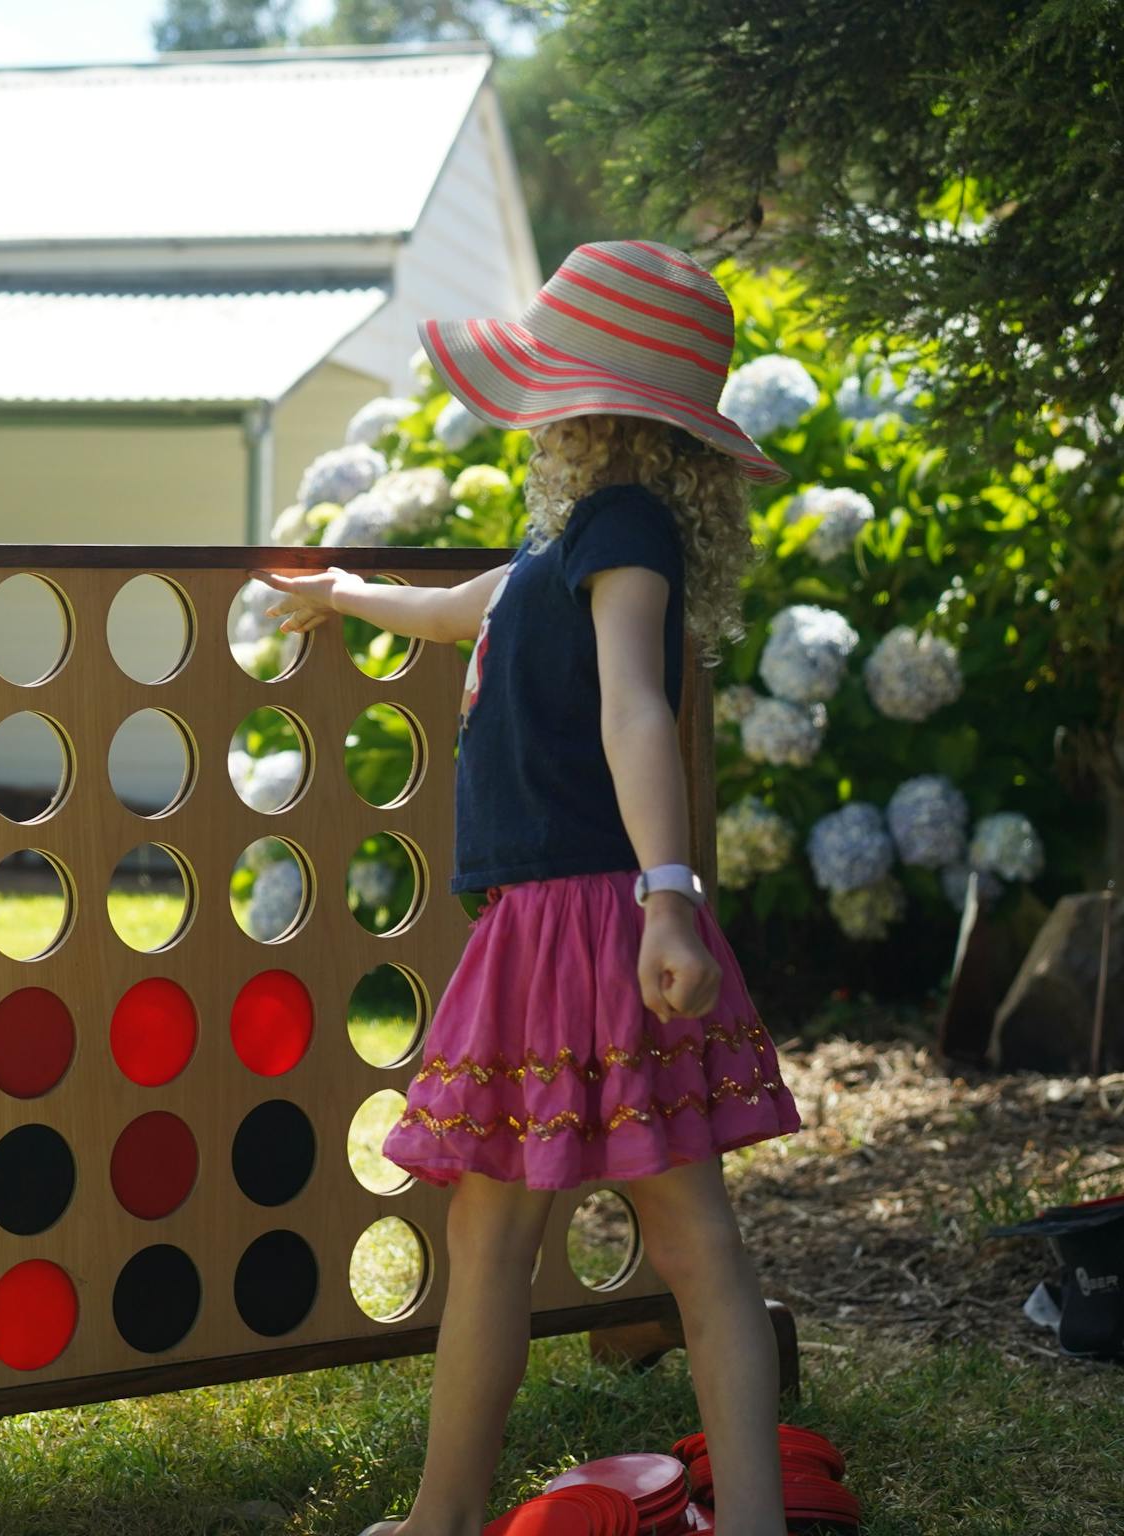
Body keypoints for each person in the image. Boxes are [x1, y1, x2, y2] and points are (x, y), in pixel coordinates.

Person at [256, 241, 801, 1536]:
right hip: (581, 919)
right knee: (660, 1243)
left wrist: (670, 894)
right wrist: (344, 591)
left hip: (585, 921)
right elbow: (476, 611)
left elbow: (635, 710)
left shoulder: (621, 532)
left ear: (590, 404)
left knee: (562, 1241)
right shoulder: (577, 539)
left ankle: (451, 1520)